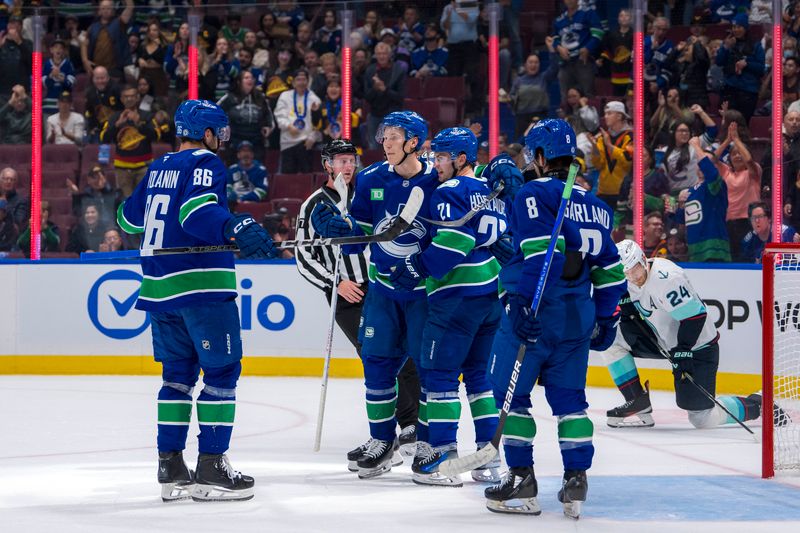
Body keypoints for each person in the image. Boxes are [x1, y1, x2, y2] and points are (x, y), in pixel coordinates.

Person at [116, 99, 277, 502]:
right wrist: (233, 225)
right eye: (218, 132)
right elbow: (195, 213)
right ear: (206, 133)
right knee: (221, 375)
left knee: (176, 378)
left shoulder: (159, 166)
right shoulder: (205, 162)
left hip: (158, 289)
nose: (221, 140)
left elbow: (127, 220)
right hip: (201, 287)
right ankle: (211, 467)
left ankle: (170, 466)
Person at [484, 119, 626, 517]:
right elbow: (611, 271)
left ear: (542, 157)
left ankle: (521, 481)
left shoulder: (533, 193)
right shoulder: (596, 205)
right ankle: (576, 479)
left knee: (511, 398)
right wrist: (605, 319)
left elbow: (542, 257)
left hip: (535, 314)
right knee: (570, 402)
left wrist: (526, 304)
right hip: (576, 318)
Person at [310, 111, 439, 479]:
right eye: (384, 136)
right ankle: (382, 441)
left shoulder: (436, 179)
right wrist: (342, 231)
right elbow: (359, 239)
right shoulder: (369, 180)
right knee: (378, 366)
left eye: (394, 136)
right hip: (382, 291)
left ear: (413, 141)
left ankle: (431, 443)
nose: (386, 142)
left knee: (430, 373)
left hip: (422, 293)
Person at [388, 127, 507, 487]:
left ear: (460, 159)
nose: (434, 163)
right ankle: (489, 458)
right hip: (489, 295)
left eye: (440, 157)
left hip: (456, 298)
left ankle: (440, 455)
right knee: (479, 378)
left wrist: (413, 267)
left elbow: (451, 247)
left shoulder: (452, 190)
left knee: (439, 376)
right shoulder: (490, 191)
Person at [295, 139, 420, 466]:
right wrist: (335, 282)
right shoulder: (314, 204)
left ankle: (410, 427)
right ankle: (387, 436)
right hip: (346, 294)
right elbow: (302, 254)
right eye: (340, 161)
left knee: (402, 353)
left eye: (351, 160)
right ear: (327, 165)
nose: (347, 167)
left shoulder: (370, 190)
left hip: (382, 285)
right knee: (377, 356)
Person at [601, 239, 782, 431]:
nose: (631, 276)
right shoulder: (626, 279)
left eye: (634, 269)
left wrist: (684, 350)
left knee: (702, 419)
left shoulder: (667, 279)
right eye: (625, 271)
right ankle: (637, 400)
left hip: (698, 346)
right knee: (608, 339)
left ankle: (758, 403)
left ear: (643, 259)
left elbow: (695, 317)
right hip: (666, 342)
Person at [674, 136, 731, 262]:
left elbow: (710, 172)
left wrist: (696, 146)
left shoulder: (717, 184)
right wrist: (680, 204)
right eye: (699, 161)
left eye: (705, 162)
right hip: (694, 252)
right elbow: (682, 221)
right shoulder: (689, 192)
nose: (701, 165)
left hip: (715, 251)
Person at [100, 84, 161, 198]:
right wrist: (117, 125)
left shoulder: (147, 116)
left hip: (144, 167)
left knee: (144, 202)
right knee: (126, 204)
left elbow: (156, 136)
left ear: (138, 97)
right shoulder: (114, 117)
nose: (129, 99)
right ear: (121, 99)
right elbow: (104, 138)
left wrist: (139, 123)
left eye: (132, 96)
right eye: (126, 96)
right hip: (122, 168)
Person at [552, 0, 604, 100]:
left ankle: (589, 115)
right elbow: (554, 39)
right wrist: (559, 48)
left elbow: (598, 33)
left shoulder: (588, 13)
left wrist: (588, 48)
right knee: (565, 96)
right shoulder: (559, 20)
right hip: (565, 63)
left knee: (588, 94)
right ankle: (567, 115)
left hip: (583, 61)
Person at [274, 68, 321, 173]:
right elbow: (279, 115)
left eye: (304, 80)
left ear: (308, 82)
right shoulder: (285, 96)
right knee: (288, 178)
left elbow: (318, 123)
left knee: (306, 178)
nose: (301, 83)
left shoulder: (314, 98)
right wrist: (289, 126)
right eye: (298, 80)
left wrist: (312, 137)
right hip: (288, 142)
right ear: (294, 82)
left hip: (305, 143)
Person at [364, 43, 406, 149]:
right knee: (374, 147)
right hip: (375, 114)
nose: (381, 56)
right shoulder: (370, 71)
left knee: (392, 147)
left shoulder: (398, 71)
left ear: (389, 55)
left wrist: (385, 89)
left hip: (393, 115)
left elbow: (400, 97)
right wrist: (375, 88)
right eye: (379, 54)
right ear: (375, 55)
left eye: (384, 53)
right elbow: (366, 97)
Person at [42, 38, 76, 118]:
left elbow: (71, 84)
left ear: (64, 51)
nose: (58, 49)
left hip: (65, 102)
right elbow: (44, 84)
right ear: (51, 50)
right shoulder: (46, 65)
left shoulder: (68, 64)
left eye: (61, 48)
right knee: (49, 129)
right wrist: (51, 76)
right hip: (49, 104)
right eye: (56, 47)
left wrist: (62, 79)